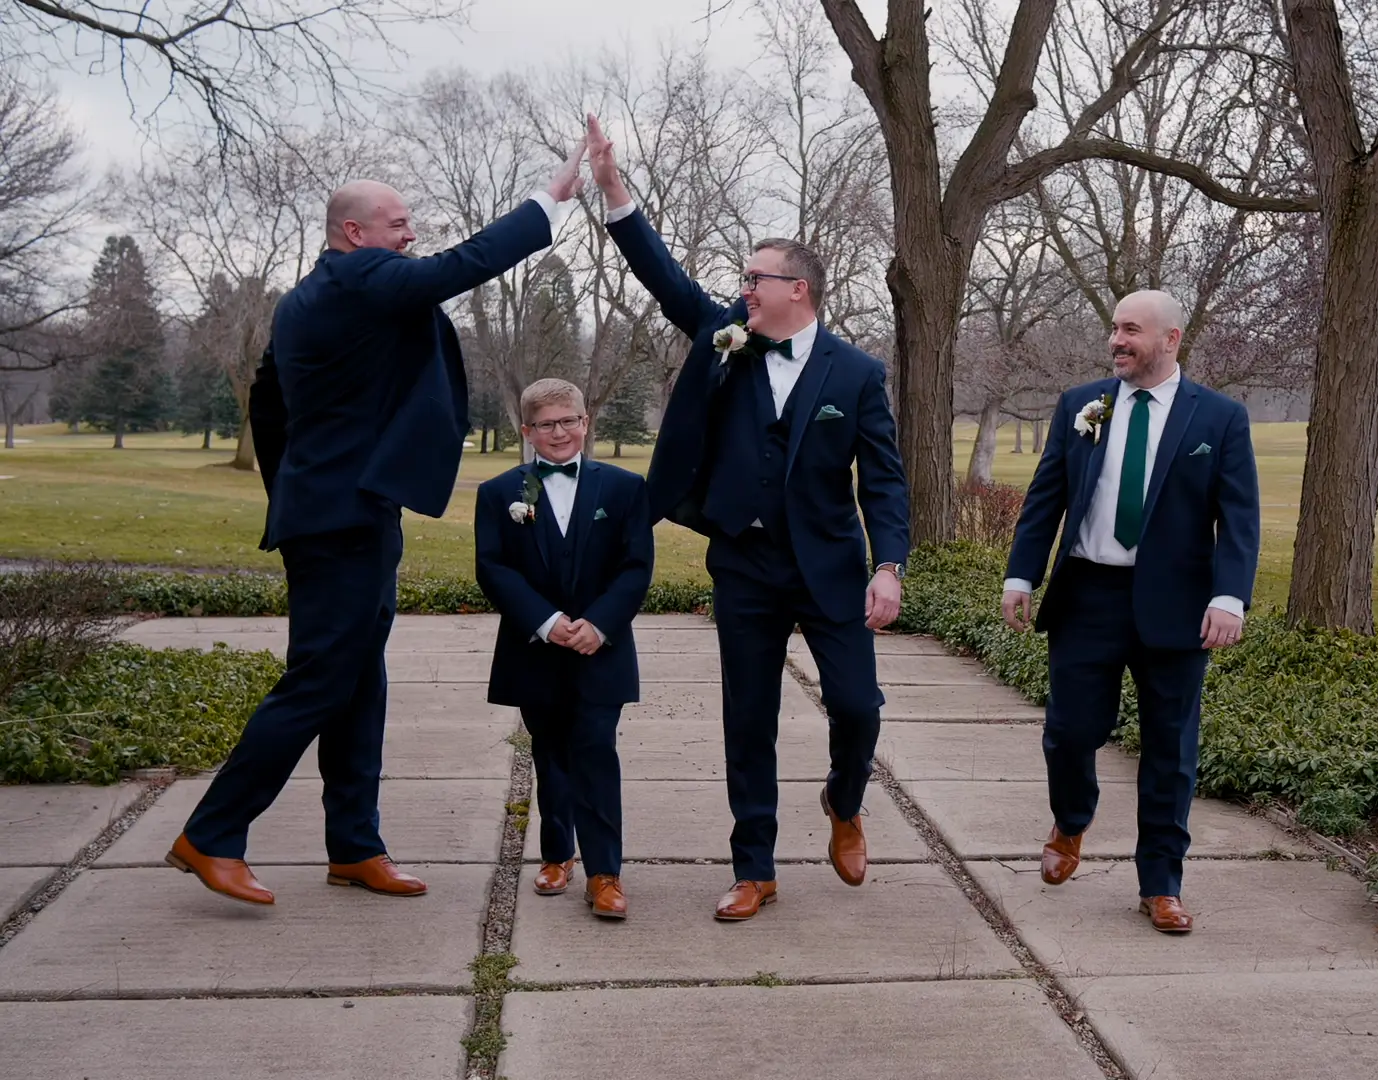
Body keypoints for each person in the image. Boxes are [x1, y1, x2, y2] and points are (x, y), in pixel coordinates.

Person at [165, 144, 589, 906]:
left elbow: (269, 401)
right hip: (340, 521)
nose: (410, 235)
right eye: (397, 224)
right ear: (355, 234)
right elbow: (454, 268)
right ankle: (212, 834)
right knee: (321, 679)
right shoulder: (356, 278)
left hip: (339, 508)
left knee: (361, 681)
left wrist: (295, 487)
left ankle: (354, 845)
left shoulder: (305, 300)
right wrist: (548, 201)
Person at [586, 115, 910, 922]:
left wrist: (888, 563)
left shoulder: (858, 373)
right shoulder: (725, 340)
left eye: (756, 275)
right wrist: (615, 192)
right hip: (745, 564)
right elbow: (660, 277)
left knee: (859, 707)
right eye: (743, 276)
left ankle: (843, 802)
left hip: (830, 565)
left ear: (797, 287)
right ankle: (754, 867)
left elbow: (885, 478)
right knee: (748, 721)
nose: (744, 285)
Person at [1001, 289, 1260, 934]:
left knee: (1170, 748)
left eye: (1131, 331)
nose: (1116, 340)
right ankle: (1071, 819)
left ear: (1171, 339)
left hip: (1176, 607)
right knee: (1068, 731)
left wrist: (1229, 597)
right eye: (1114, 328)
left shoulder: (1219, 419)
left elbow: (1240, 518)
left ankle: (1161, 883)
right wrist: (1021, 574)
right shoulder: (1081, 406)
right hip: (1088, 595)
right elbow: (1046, 498)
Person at [474, 378, 653, 921]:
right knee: (550, 752)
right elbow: (494, 568)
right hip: (536, 647)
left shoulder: (623, 488)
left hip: (601, 646)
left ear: (585, 422)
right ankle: (556, 853)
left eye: (569, 420)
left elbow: (635, 565)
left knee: (595, 748)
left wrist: (598, 624)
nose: (560, 432)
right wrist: (546, 622)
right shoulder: (500, 492)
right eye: (547, 424)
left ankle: (605, 873)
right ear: (527, 431)